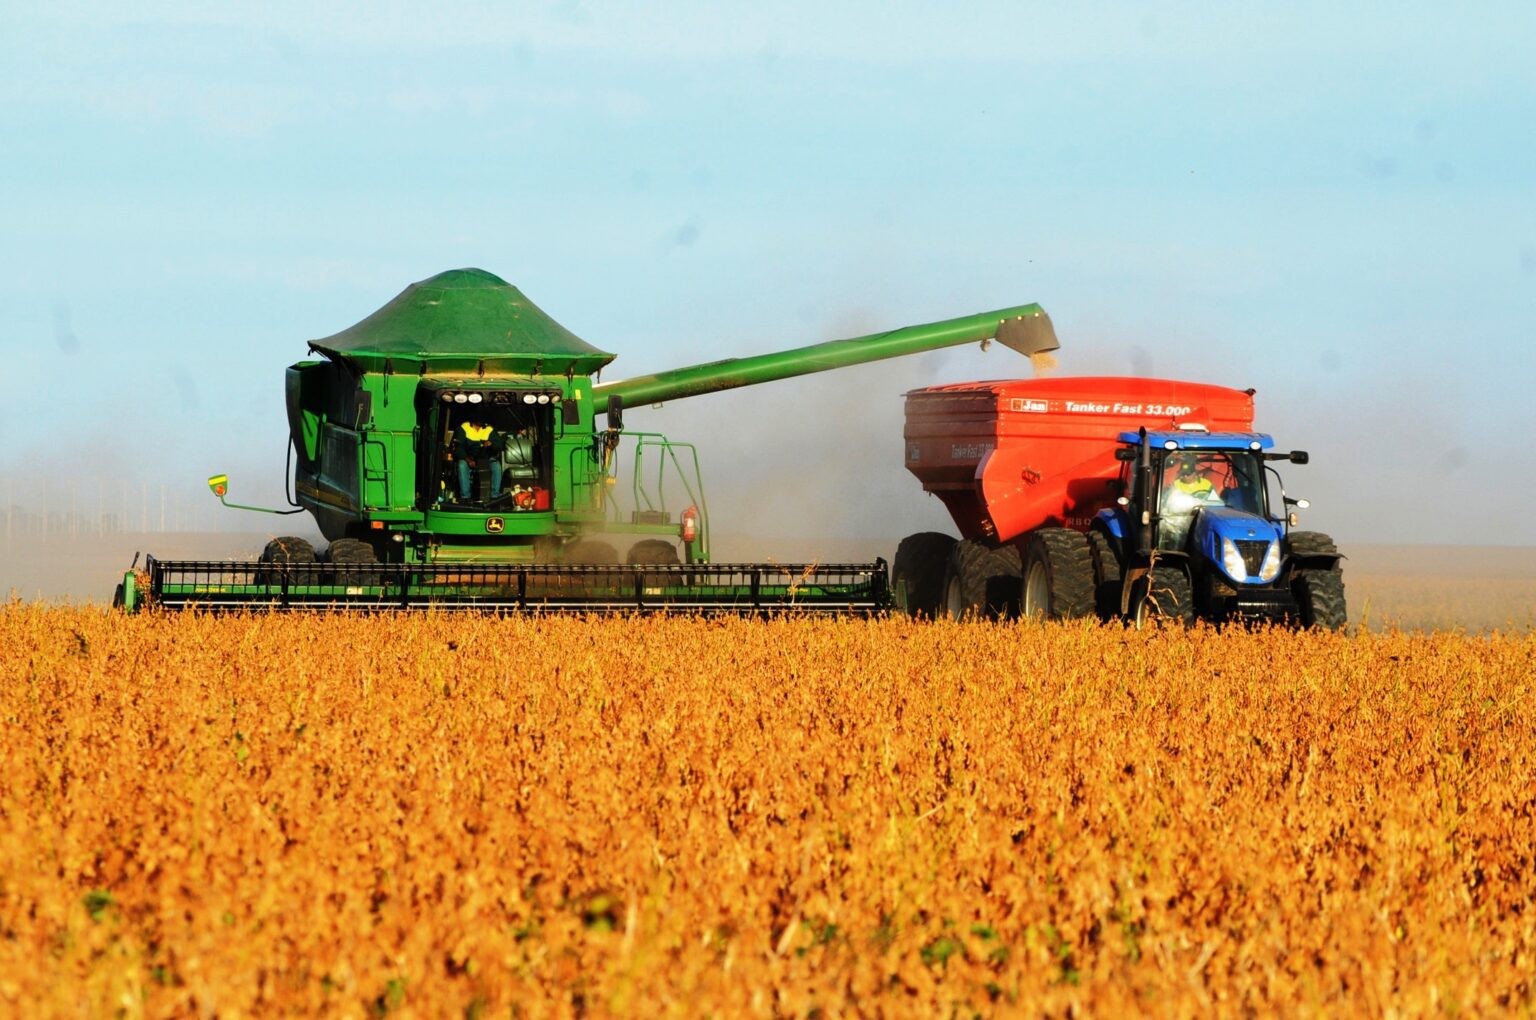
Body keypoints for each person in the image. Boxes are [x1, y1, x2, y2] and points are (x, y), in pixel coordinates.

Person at [453, 418, 505, 502]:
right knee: (461, 465)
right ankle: (465, 497)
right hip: (469, 459)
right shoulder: (464, 427)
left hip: (486, 459)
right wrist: (468, 460)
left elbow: (499, 444)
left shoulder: (488, 429)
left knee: (497, 466)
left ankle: (494, 496)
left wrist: (491, 444)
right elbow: (458, 448)